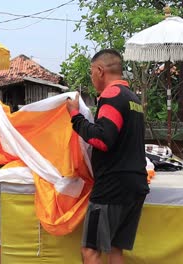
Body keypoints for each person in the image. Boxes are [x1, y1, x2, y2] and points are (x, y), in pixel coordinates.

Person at [66, 49, 150, 264]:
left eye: (92, 72)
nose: (92, 77)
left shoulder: (111, 95)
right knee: (115, 249)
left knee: (90, 251)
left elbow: (103, 139)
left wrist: (75, 116)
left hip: (112, 187)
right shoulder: (133, 99)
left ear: (100, 70)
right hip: (135, 184)